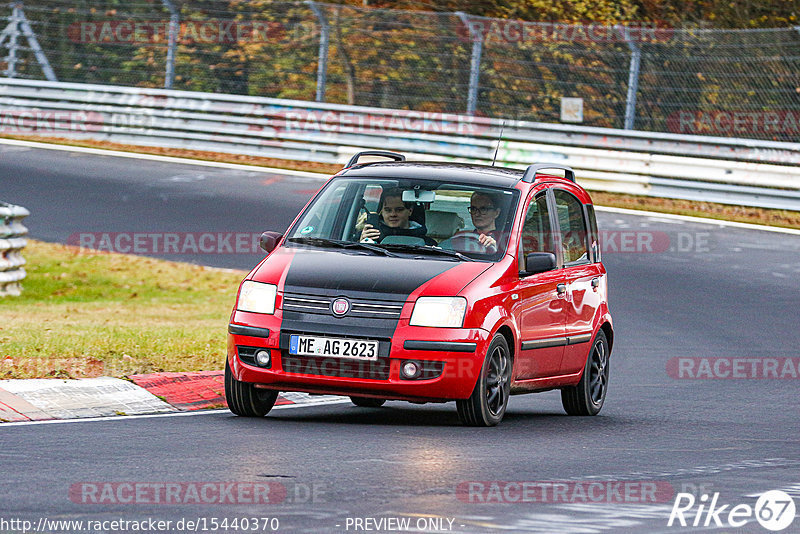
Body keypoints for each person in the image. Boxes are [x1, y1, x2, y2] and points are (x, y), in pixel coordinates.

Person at [360, 188, 430, 243]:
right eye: (388, 210)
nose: (393, 214)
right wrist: (361, 244)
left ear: (410, 211)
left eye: (399, 210)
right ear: (382, 212)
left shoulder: (426, 243)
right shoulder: (371, 236)